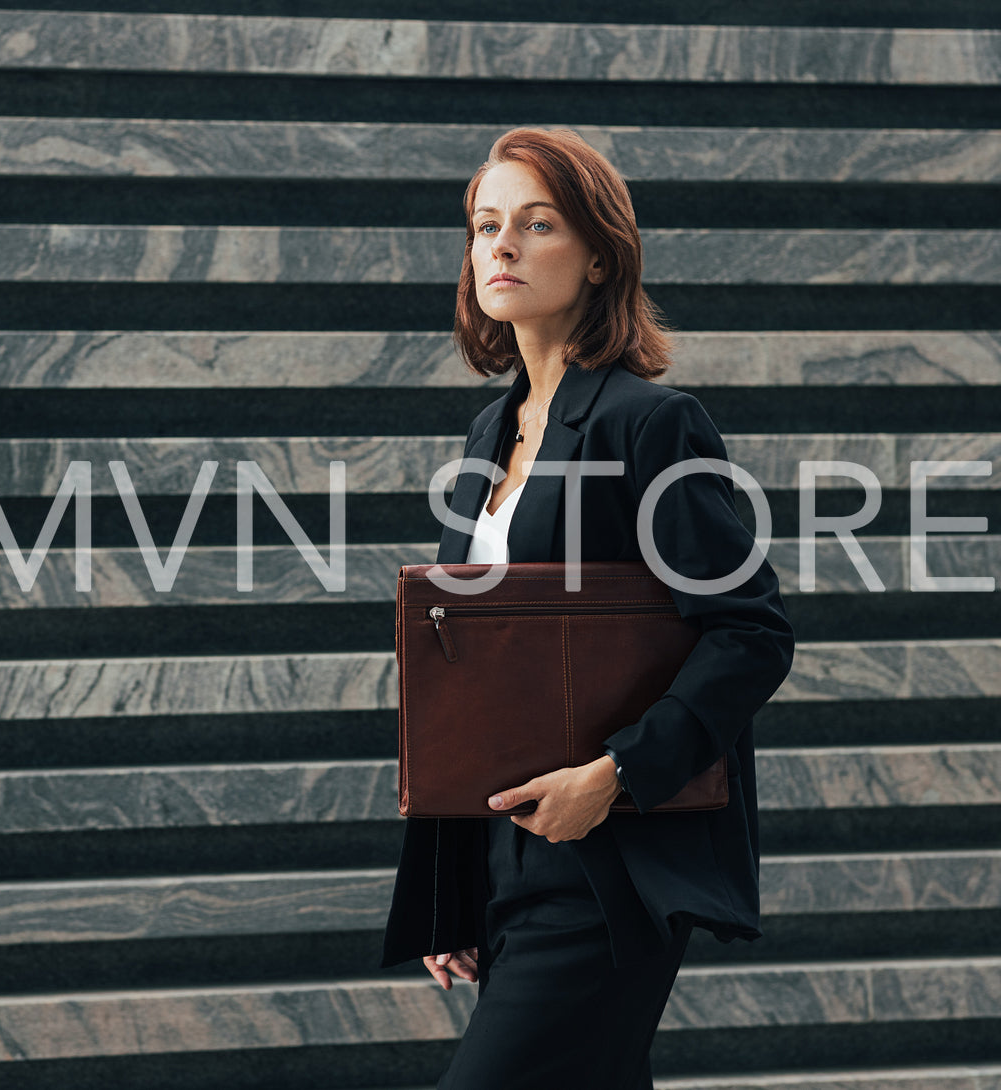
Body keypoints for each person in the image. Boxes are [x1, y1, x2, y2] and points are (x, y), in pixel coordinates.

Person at [379, 127, 796, 1089]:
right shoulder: (491, 430)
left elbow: (751, 632)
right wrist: (453, 889)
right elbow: (471, 675)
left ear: (599, 253)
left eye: (535, 224)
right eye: (486, 227)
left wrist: (612, 776)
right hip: (504, 862)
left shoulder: (649, 423)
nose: (502, 248)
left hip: (608, 870)